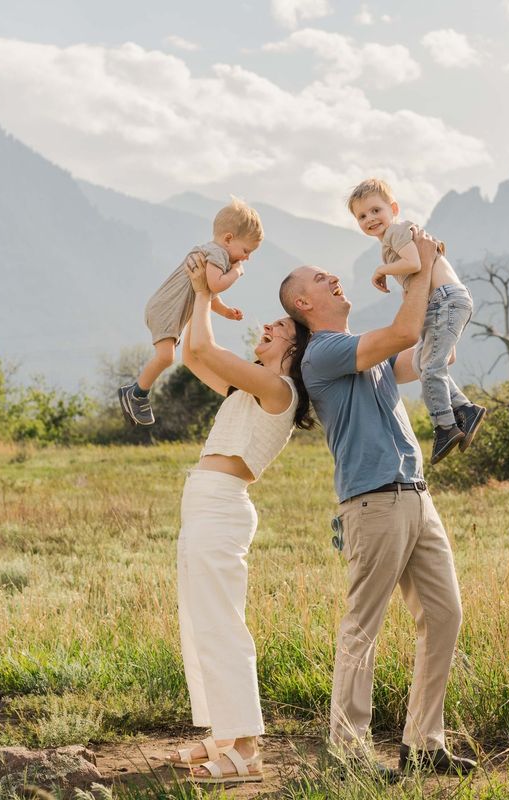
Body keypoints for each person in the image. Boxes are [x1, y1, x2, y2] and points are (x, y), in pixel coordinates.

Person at [279, 228, 478, 779]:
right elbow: (405, 329)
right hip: (372, 503)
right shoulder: (324, 354)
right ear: (304, 304)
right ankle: (347, 755)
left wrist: (442, 277)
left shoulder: (369, 351)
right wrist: (415, 271)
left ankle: (423, 743)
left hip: (415, 495)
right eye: (322, 279)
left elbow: (435, 350)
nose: (333, 278)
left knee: (443, 617)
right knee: (363, 625)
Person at [163, 253, 314, 785]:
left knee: (223, 625)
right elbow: (191, 357)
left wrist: (207, 292)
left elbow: (204, 347)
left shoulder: (278, 391)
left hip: (222, 505)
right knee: (201, 621)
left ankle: (246, 750)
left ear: (294, 352)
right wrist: (200, 292)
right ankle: (224, 734)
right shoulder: (248, 388)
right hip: (204, 501)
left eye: (281, 327)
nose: (268, 325)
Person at [346, 178, 486, 464]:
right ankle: (465, 410)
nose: (370, 219)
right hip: (440, 302)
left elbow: (415, 263)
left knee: (431, 367)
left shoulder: (398, 231)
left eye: (375, 210)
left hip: (445, 299)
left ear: (392, 208)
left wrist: (381, 270)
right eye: (362, 216)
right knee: (423, 363)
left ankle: (445, 426)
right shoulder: (391, 240)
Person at [118, 198, 262, 426]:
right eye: (246, 250)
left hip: (166, 311)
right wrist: (237, 273)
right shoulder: (218, 254)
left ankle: (138, 392)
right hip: (166, 311)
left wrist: (224, 311)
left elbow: (206, 291)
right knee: (166, 357)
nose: (247, 257)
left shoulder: (214, 253)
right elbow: (214, 285)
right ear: (228, 239)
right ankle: (136, 393)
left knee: (166, 356)